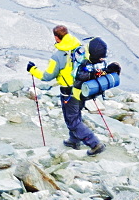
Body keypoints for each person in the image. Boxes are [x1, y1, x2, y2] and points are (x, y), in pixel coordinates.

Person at [27, 24, 105, 155]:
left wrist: (33, 70)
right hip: (83, 87)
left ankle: (95, 144)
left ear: (57, 38)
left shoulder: (58, 56)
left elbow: (47, 76)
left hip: (69, 91)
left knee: (72, 120)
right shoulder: (80, 48)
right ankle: (74, 140)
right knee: (76, 114)